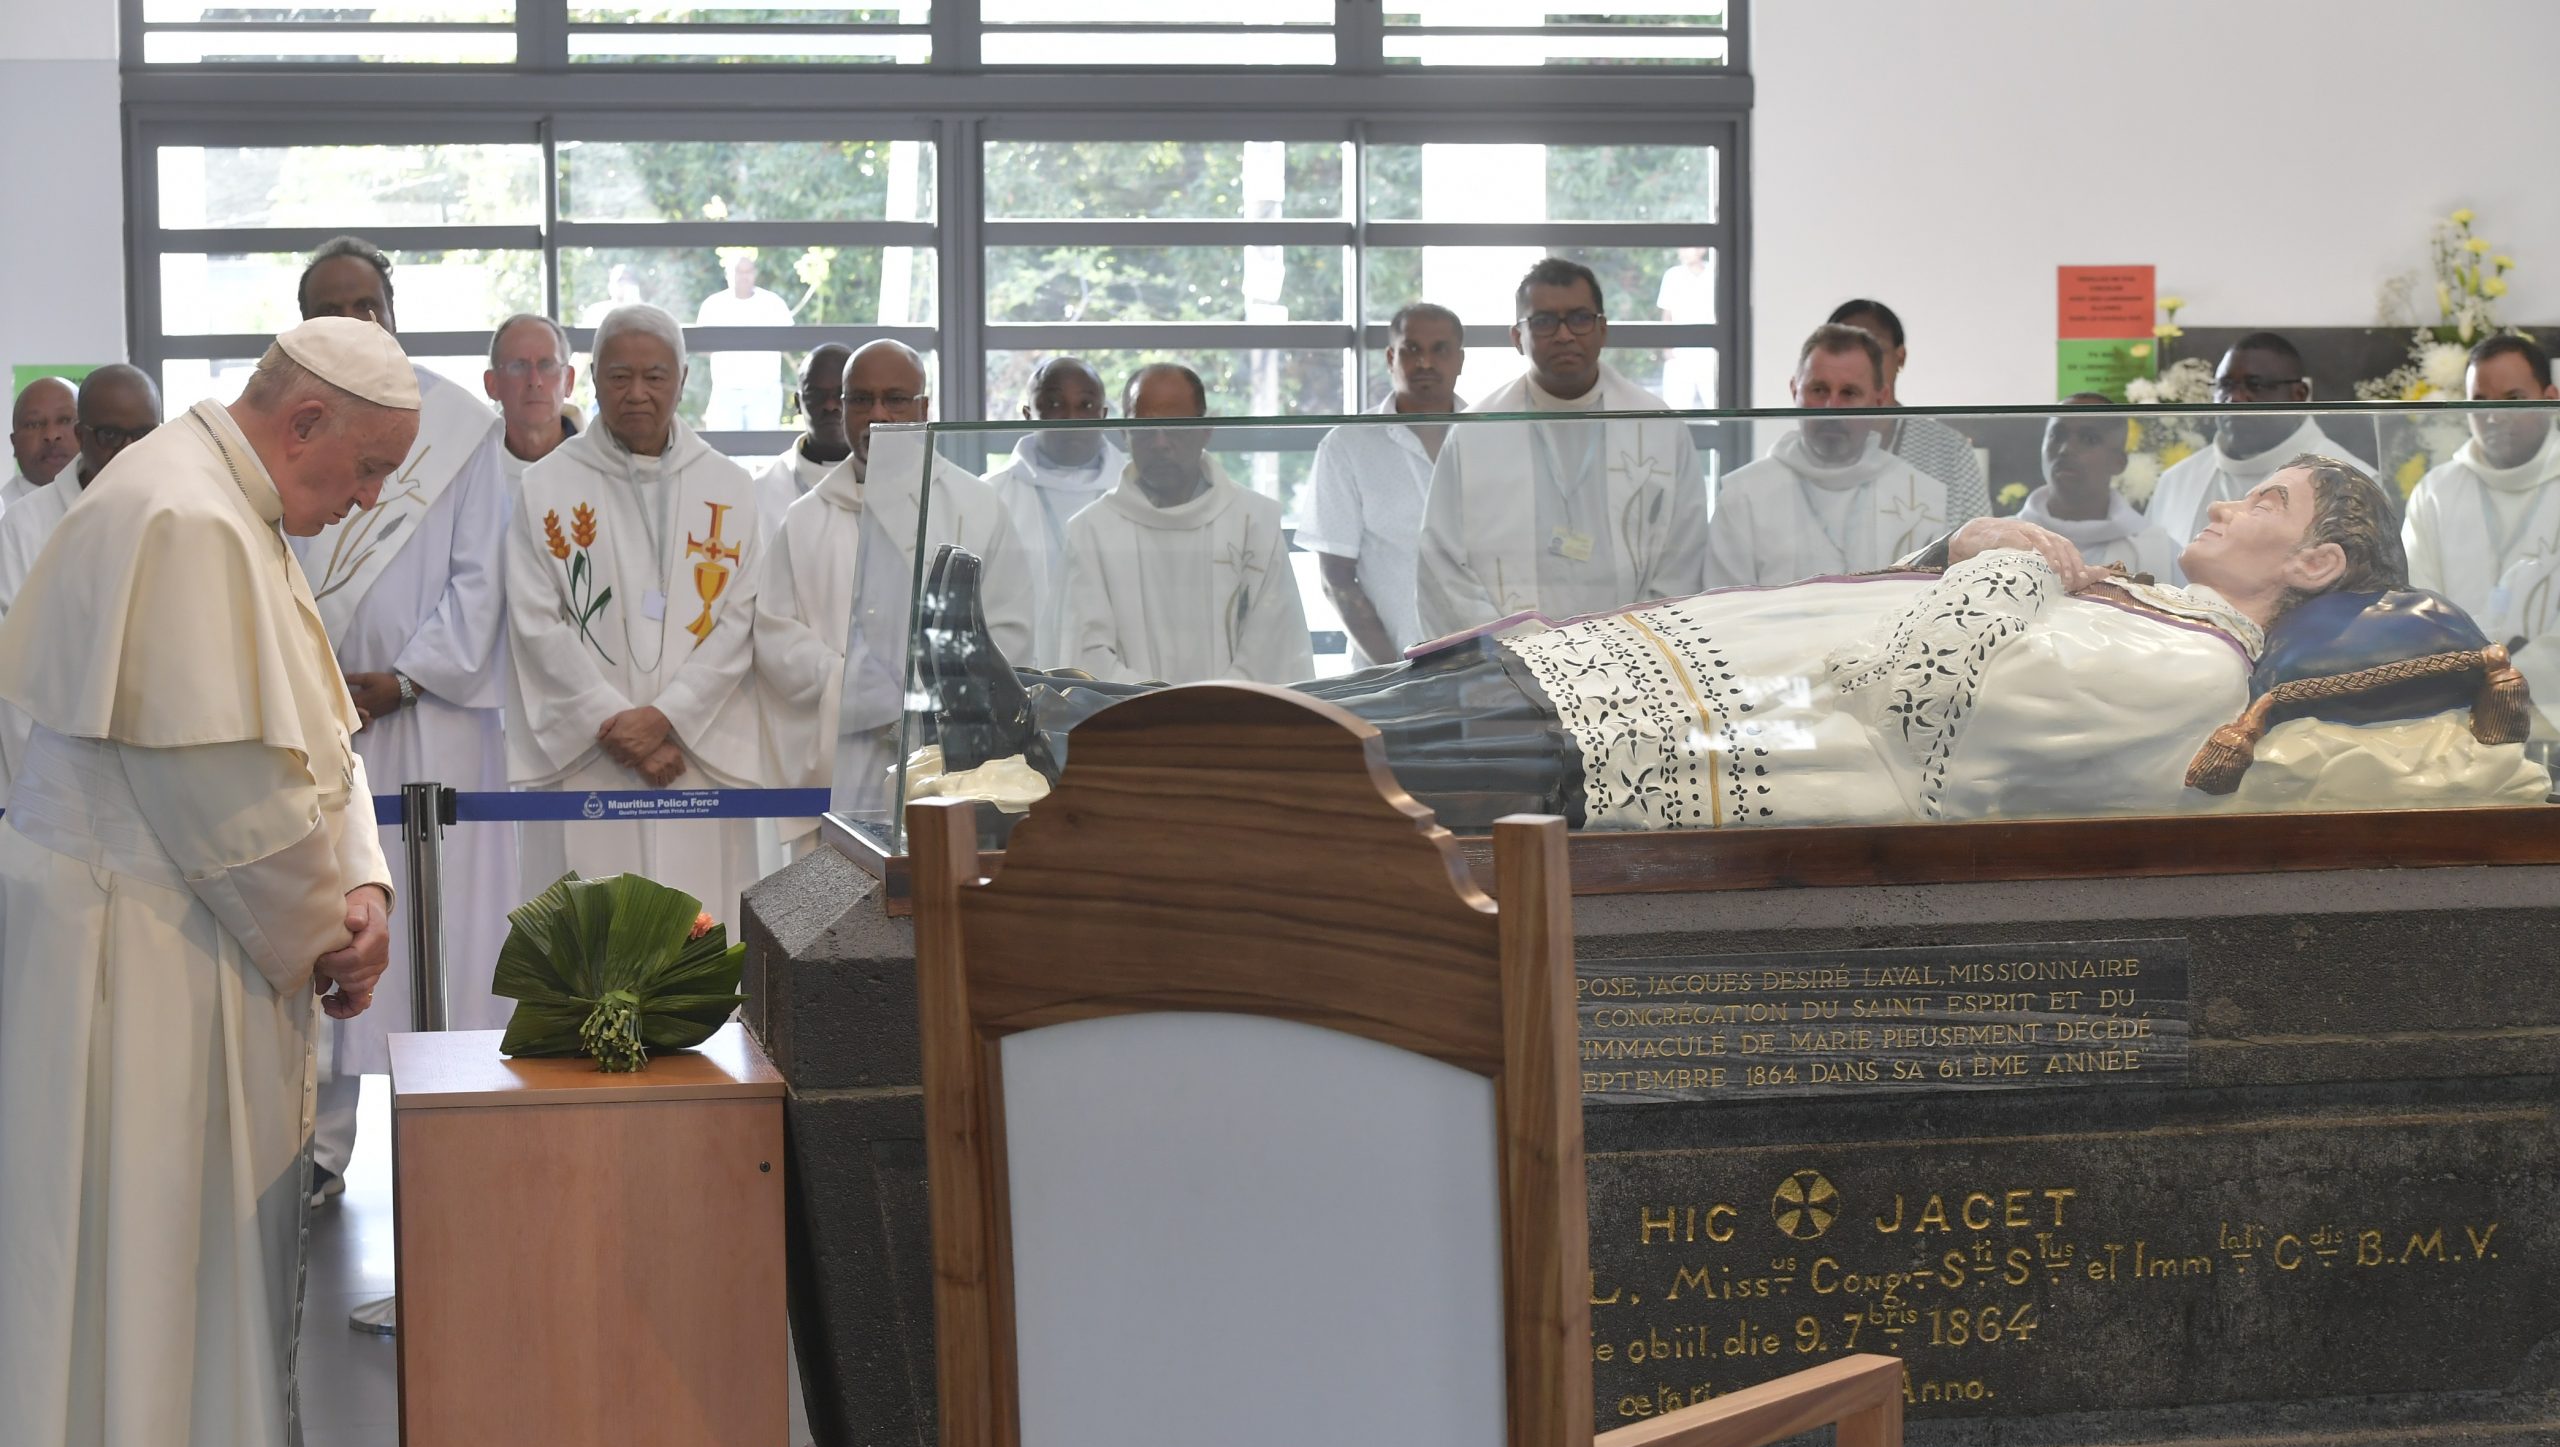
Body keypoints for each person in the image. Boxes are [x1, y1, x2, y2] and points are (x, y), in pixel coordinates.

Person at [930, 458, 2478, 838]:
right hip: (1673, 668)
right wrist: (2007, 561)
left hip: (1703, 743)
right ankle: (1071, 713)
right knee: (1356, 700)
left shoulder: (2195, 670)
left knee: (1353, 763)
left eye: (2265, 498)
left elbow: (1929, 704)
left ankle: (1083, 762)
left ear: (2321, 561)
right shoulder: (2141, 598)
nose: (2229, 501)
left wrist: (2000, 561)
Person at [0, 317, 407, 1447]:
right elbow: (218, 796)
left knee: (188, 1295)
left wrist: (361, 887)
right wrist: (326, 925)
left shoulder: (233, 511)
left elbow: (318, 745)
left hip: (196, 945)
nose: (363, 502)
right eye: (360, 470)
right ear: (298, 427)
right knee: (144, 1277)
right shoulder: (180, 519)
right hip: (138, 965)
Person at [290, 237, 519, 1201]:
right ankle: (323, 1146)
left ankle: (454, 1137)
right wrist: (315, 681)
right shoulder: (287, 426)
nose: (357, 319)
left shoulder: (462, 426)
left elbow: (484, 579)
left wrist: (406, 678)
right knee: (329, 927)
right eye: (333, 308)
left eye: (369, 304)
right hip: (319, 724)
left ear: (395, 310)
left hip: (430, 727)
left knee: (440, 933)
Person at [503, 303, 771, 923]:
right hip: (591, 757)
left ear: (682, 377)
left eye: (655, 376)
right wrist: (617, 724)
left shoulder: (729, 486)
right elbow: (535, 622)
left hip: (694, 757)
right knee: (590, 941)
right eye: (620, 377)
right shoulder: (548, 486)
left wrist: (669, 718)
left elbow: (742, 618)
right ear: (594, 377)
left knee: (697, 938)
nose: (638, 394)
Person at [756, 338, 1033, 826]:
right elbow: (775, 638)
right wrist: (857, 689)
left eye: (895, 398)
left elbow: (1011, 629)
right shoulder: (804, 521)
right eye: (860, 399)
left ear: (925, 407)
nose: (877, 414)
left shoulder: (976, 505)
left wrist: (940, 697)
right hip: (841, 757)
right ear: (841, 409)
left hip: (949, 760)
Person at [1414, 258, 1710, 638]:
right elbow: (1441, 561)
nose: (1565, 335)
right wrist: (1503, 653)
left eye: (1580, 319)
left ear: (1602, 329)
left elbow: (1684, 549)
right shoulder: (1476, 430)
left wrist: (1638, 645)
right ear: (1517, 337)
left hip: (1634, 658)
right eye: (1543, 322)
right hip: (1511, 671)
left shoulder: (1657, 425)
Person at [1054, 362, 1310, 685]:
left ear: (1206, 429)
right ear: (1123, 432)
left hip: (1241, 724)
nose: (1161, 443)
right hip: (1129, 729)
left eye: (1175, 426)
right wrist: (1165, 712)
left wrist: (1201, 714)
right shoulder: (1090, 532)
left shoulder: (1254, 522)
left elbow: (1274, 648)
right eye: (1146, 429)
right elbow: (1086, 656)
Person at [0, 365, 161, 803]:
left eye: (143, 435)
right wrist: (31, 800)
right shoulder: (23, 525)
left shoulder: (179, 514)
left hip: (157, 771)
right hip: (53, 783)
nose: (128, 450)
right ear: (84, 435)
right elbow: (20, 679)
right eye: (110, 435)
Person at [1708, 324, 1948, 587]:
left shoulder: (1923, 498)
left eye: (1849, 393)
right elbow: (1721, 610)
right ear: (1794, 390)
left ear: (1881, 400)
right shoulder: (1743, 495)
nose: (1831, 408)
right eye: (1819, 390)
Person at [1297, 303, 1465, 666]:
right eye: (1412, 350)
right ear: (1391, 357)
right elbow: (1336, 579)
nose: (1425, 363)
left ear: (1461, 360)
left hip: (1489, 675)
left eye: (1440, 350)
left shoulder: (1491, 439)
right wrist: (1394, 671)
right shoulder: (1347, 445)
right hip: (1387, 675)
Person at [2142, 332, 2379, 553]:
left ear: (2298, 395)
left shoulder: (2352, 483)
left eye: (2254, 385)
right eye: (2225, 385)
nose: (2234, 398)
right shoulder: (2175, 482)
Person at [2401, 331, 2560, 624]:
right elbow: (2414, 599)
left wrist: (2519, 668)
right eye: (2480, 401)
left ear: (2550, 399)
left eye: (2514, 399)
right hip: (2456, 667)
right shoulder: (2436, 491)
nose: (2494, 417)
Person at [985, 356, 1129, 664]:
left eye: (1086, 406)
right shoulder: (990, 496)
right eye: (1053, 404)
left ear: (1103, 415)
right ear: (1028, 414)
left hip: (1121, 682)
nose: (1071, 418)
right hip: (1020, 676)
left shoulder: (1135, 491)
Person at [1828, 298, 1992, 529]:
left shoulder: (1948, 450)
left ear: (1900, 357)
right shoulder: (1814, 445)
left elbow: (1980, 543)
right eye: (1847, 350)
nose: (1862, 363)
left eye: (1874, 350)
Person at [2012, 392, 2184, 585]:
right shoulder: (2005, 537)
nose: (2065, 449)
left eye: (2089, 439)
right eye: (2057, 435)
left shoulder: (2159, 549)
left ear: (2118, 462)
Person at [753, 342, 853, 538]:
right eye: (816, 395)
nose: (830, 405)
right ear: (798, 403)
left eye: (841, 394)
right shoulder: (762, 490)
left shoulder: (884, 482)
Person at [695, 251, 795, 432]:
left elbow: (788, 342)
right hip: (726, 390)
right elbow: (701, 347)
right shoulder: (714, 305)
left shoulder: (772, 303)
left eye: (748, 271)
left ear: (755, 273)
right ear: (727, 274)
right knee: (724, 452)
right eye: (738, 271)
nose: (744, 276)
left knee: (763, 451)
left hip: (765, 390)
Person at [484, 310, 581, 486]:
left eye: (547, 365)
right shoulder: (471, 469)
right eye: (518, 366)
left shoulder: (604, 465)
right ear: (492, 384)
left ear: (568, 381)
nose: (534, 381)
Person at [3, 375, 75, 511]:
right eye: (33, 424)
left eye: (65, 420)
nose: (51, 435)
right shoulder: (4, 519)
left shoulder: (116, 505)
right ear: (14, 443)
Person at [1657, 247, 1717, 411]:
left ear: (1702, 249)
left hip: (1709, 352)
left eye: (1687, 247)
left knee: (1716, 405)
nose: (1682, 252)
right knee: (1675, 409)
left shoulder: (1715, 273)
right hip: (1680, 352)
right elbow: (1667, 315)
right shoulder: (1673, 275)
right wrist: (1668, 349)